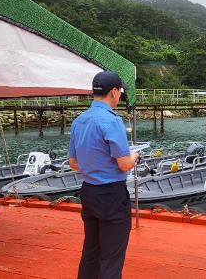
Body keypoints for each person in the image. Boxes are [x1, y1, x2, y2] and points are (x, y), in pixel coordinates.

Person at [68, 71, 139, 279]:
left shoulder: (79, 121)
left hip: (88, 192)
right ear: (114, 92)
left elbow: (73, 163)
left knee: (90, 251)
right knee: (111, 258)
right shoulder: (112, 121)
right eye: (119, 94)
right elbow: (125, 164)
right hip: (111, 196)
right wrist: (134, 155)